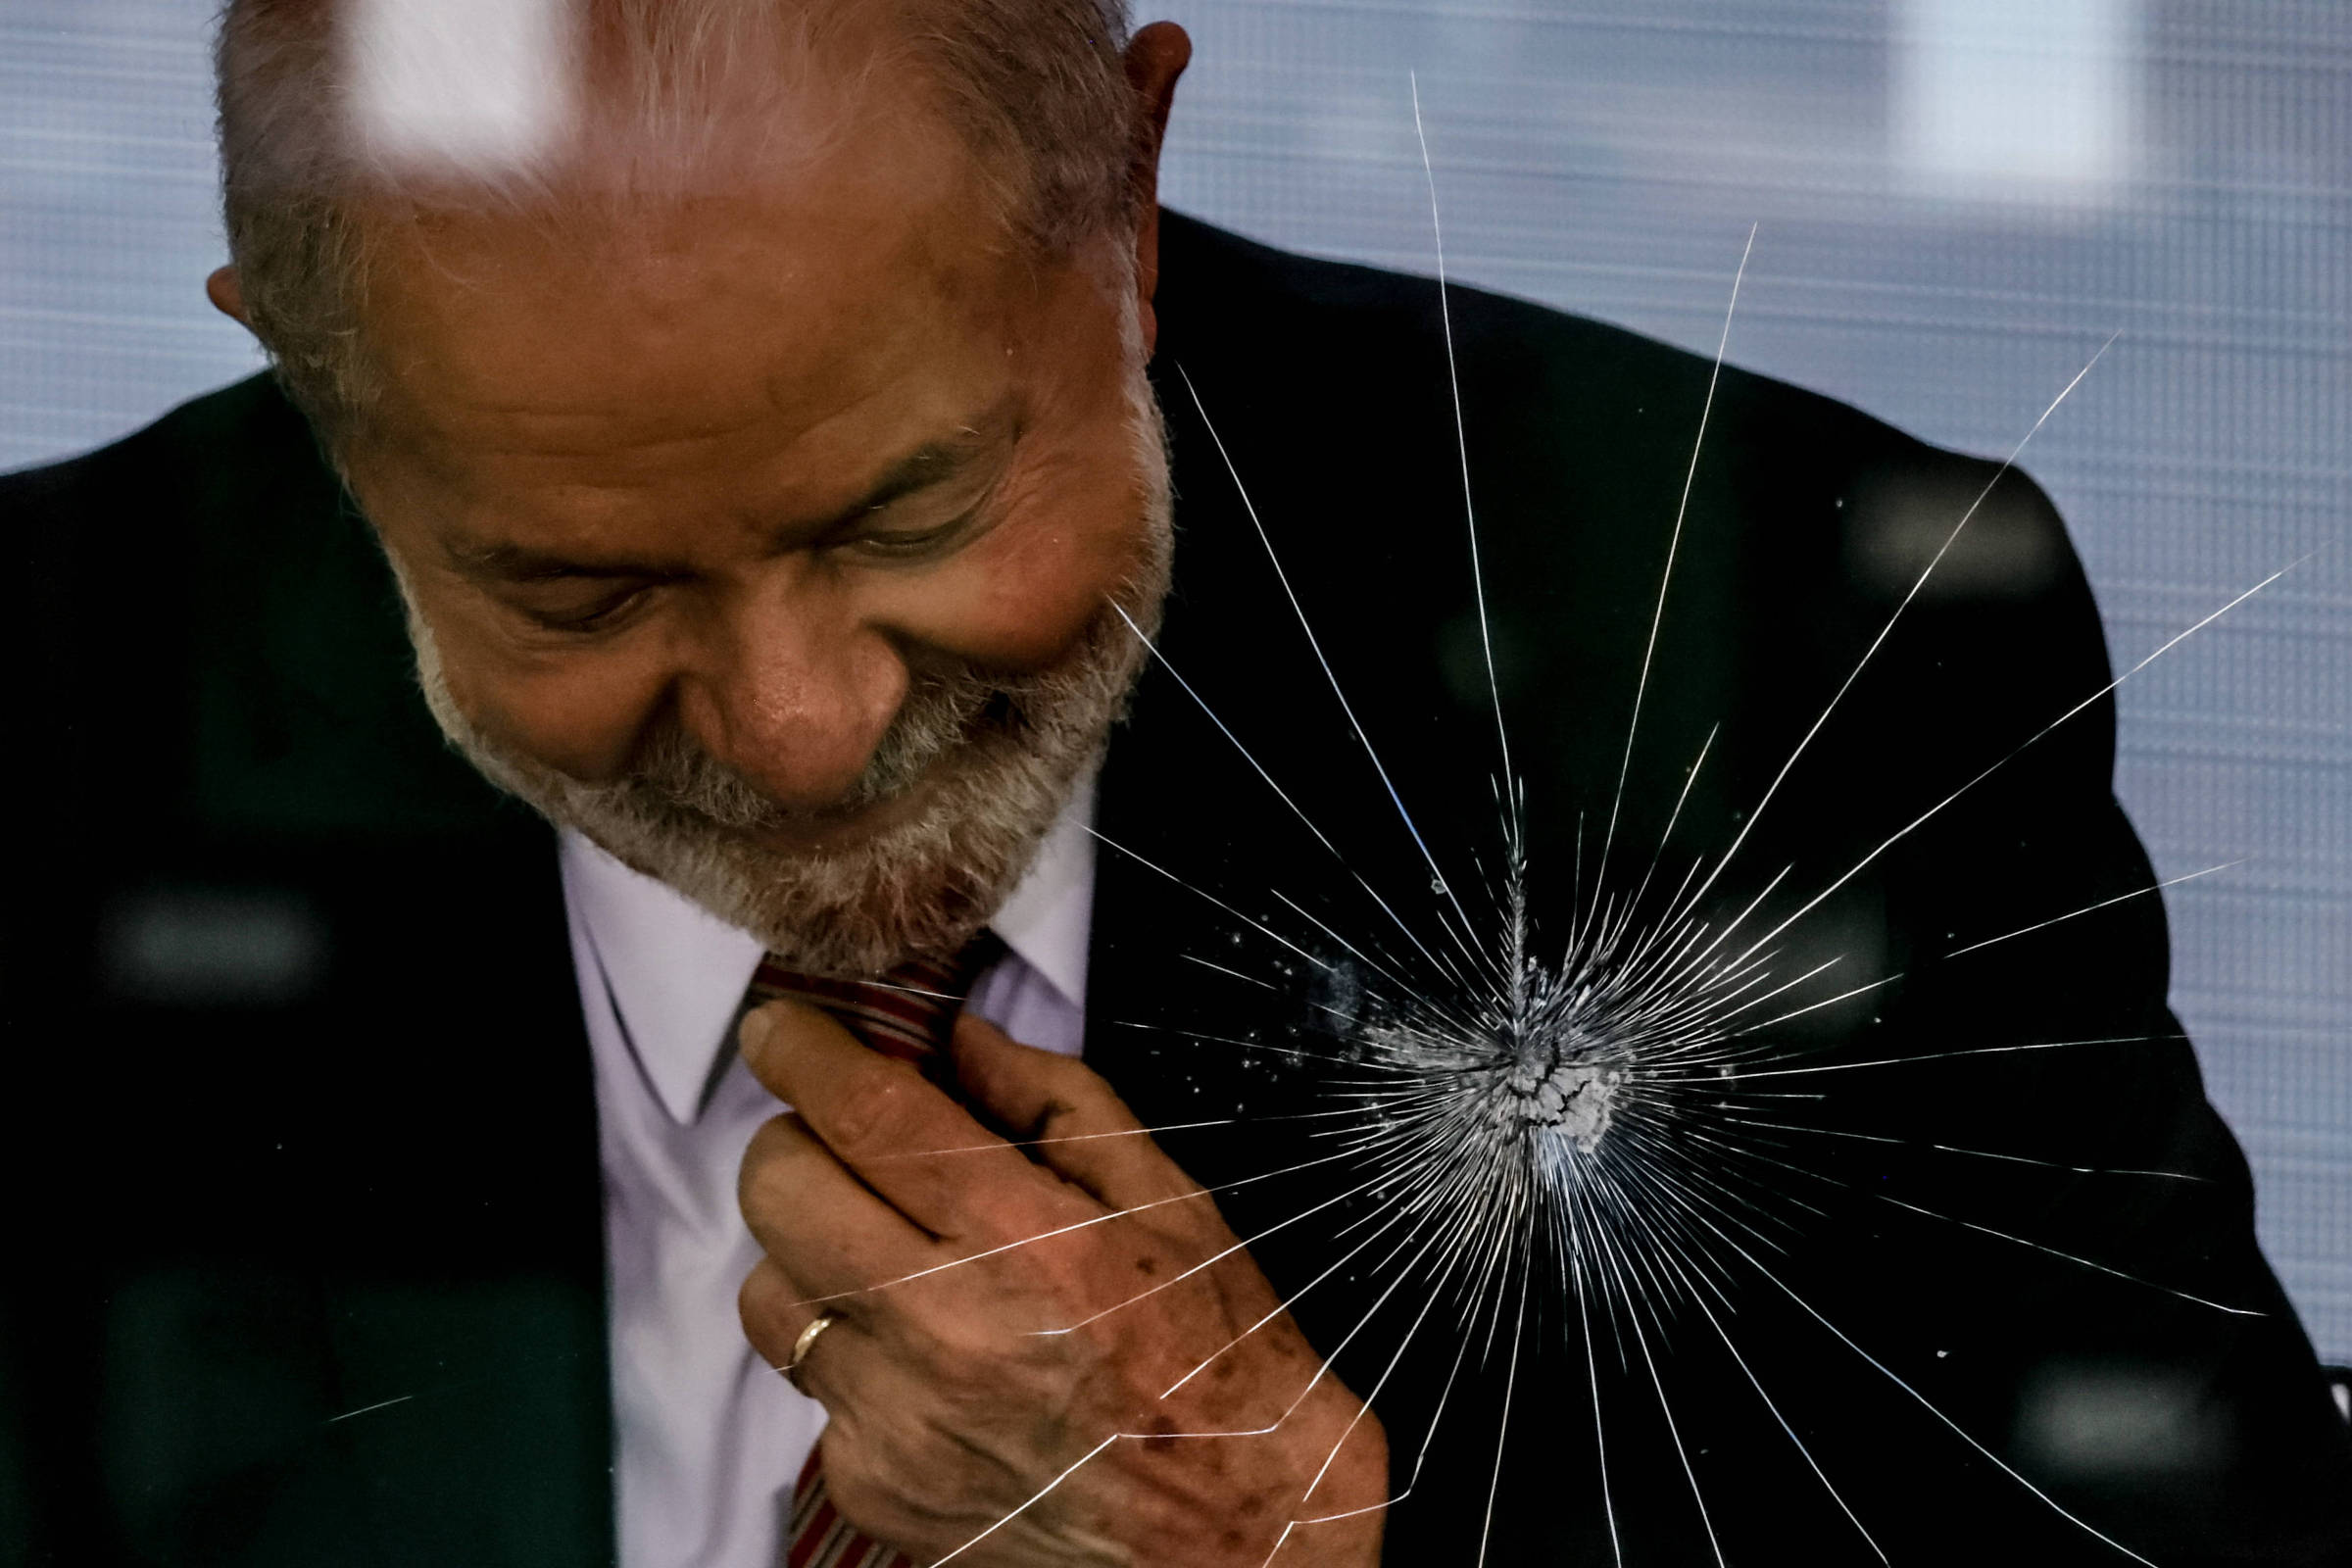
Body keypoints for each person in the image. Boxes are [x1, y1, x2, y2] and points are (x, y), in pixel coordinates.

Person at [3, 3, 2346, 1565]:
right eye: (579, 591)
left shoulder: (1777, 656)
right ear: (319, 389)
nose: (798, 729)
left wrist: (1291, 1547)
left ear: (1122, 205)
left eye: (906, 517)